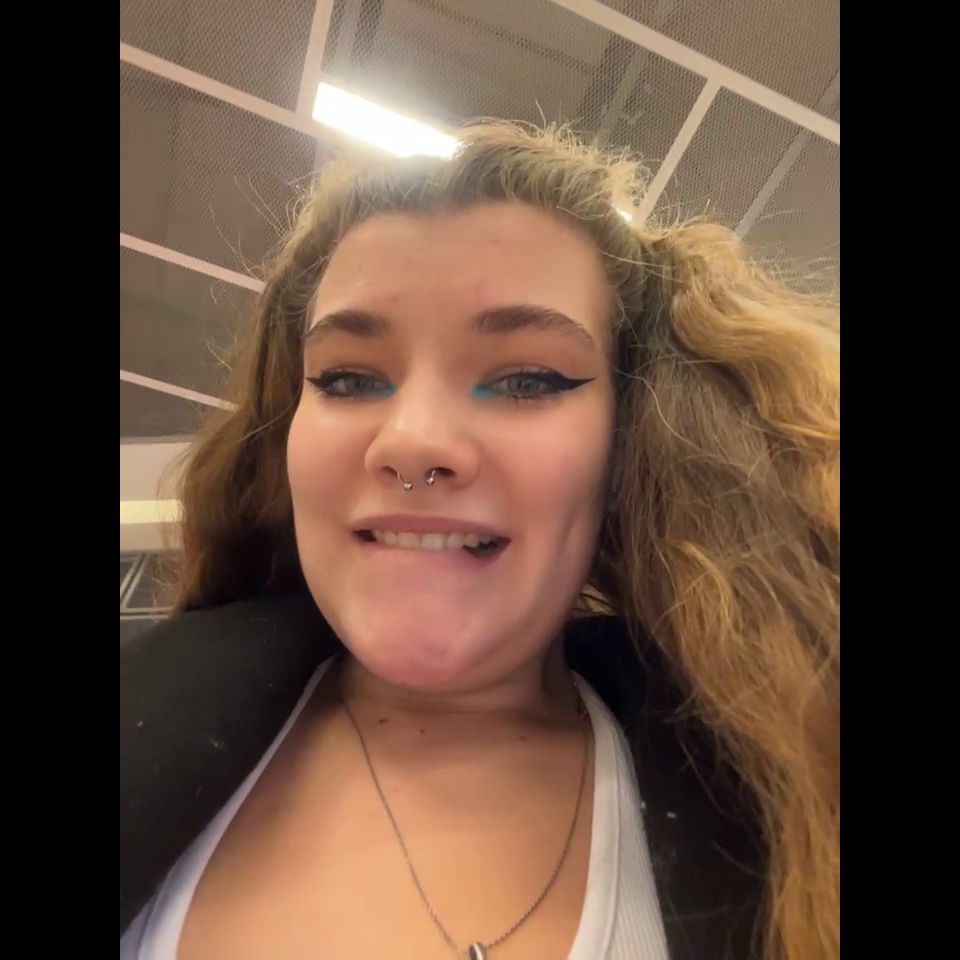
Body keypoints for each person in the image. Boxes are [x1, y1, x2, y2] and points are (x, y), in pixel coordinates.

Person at [119, 122, 839, 960]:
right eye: (349, 378)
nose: (412, 442)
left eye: (526, 378)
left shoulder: (797, 797)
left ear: (632, 441)